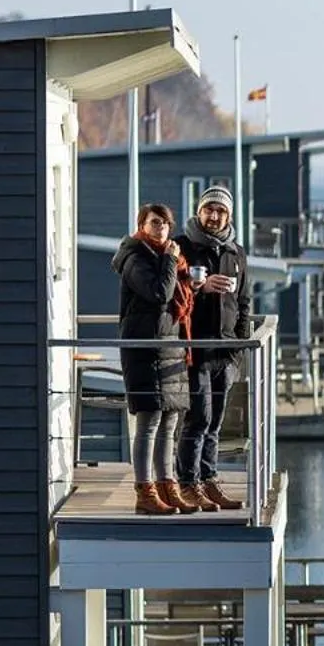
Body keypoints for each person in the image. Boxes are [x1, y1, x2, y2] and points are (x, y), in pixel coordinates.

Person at [112, 204, 197, 515]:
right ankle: (145, 491)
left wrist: (191, 283)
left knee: (170, 420)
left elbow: (175, 294)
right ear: (142, 224)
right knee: (149, 421)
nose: (161, 228)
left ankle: (167, 486)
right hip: (145, 347)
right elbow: (159, 293)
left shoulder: (165, 257)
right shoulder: (135, 257)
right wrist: (172, 261)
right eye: (155, 222)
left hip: (171, 344)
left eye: (165, 223)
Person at [175, 185, 249, 510]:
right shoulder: (181, 247)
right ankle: (188, 483)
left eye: (221, 211)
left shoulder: (236, 252)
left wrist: (239, 348)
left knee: (216, 421)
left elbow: (244, 302)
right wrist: (199, 287)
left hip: (226, 352)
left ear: (229, 216)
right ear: (199, 211)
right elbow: (170, 293)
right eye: (209, 209)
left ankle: (208, 480)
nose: (214, 216)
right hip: (194, 349)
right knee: (198, 418)